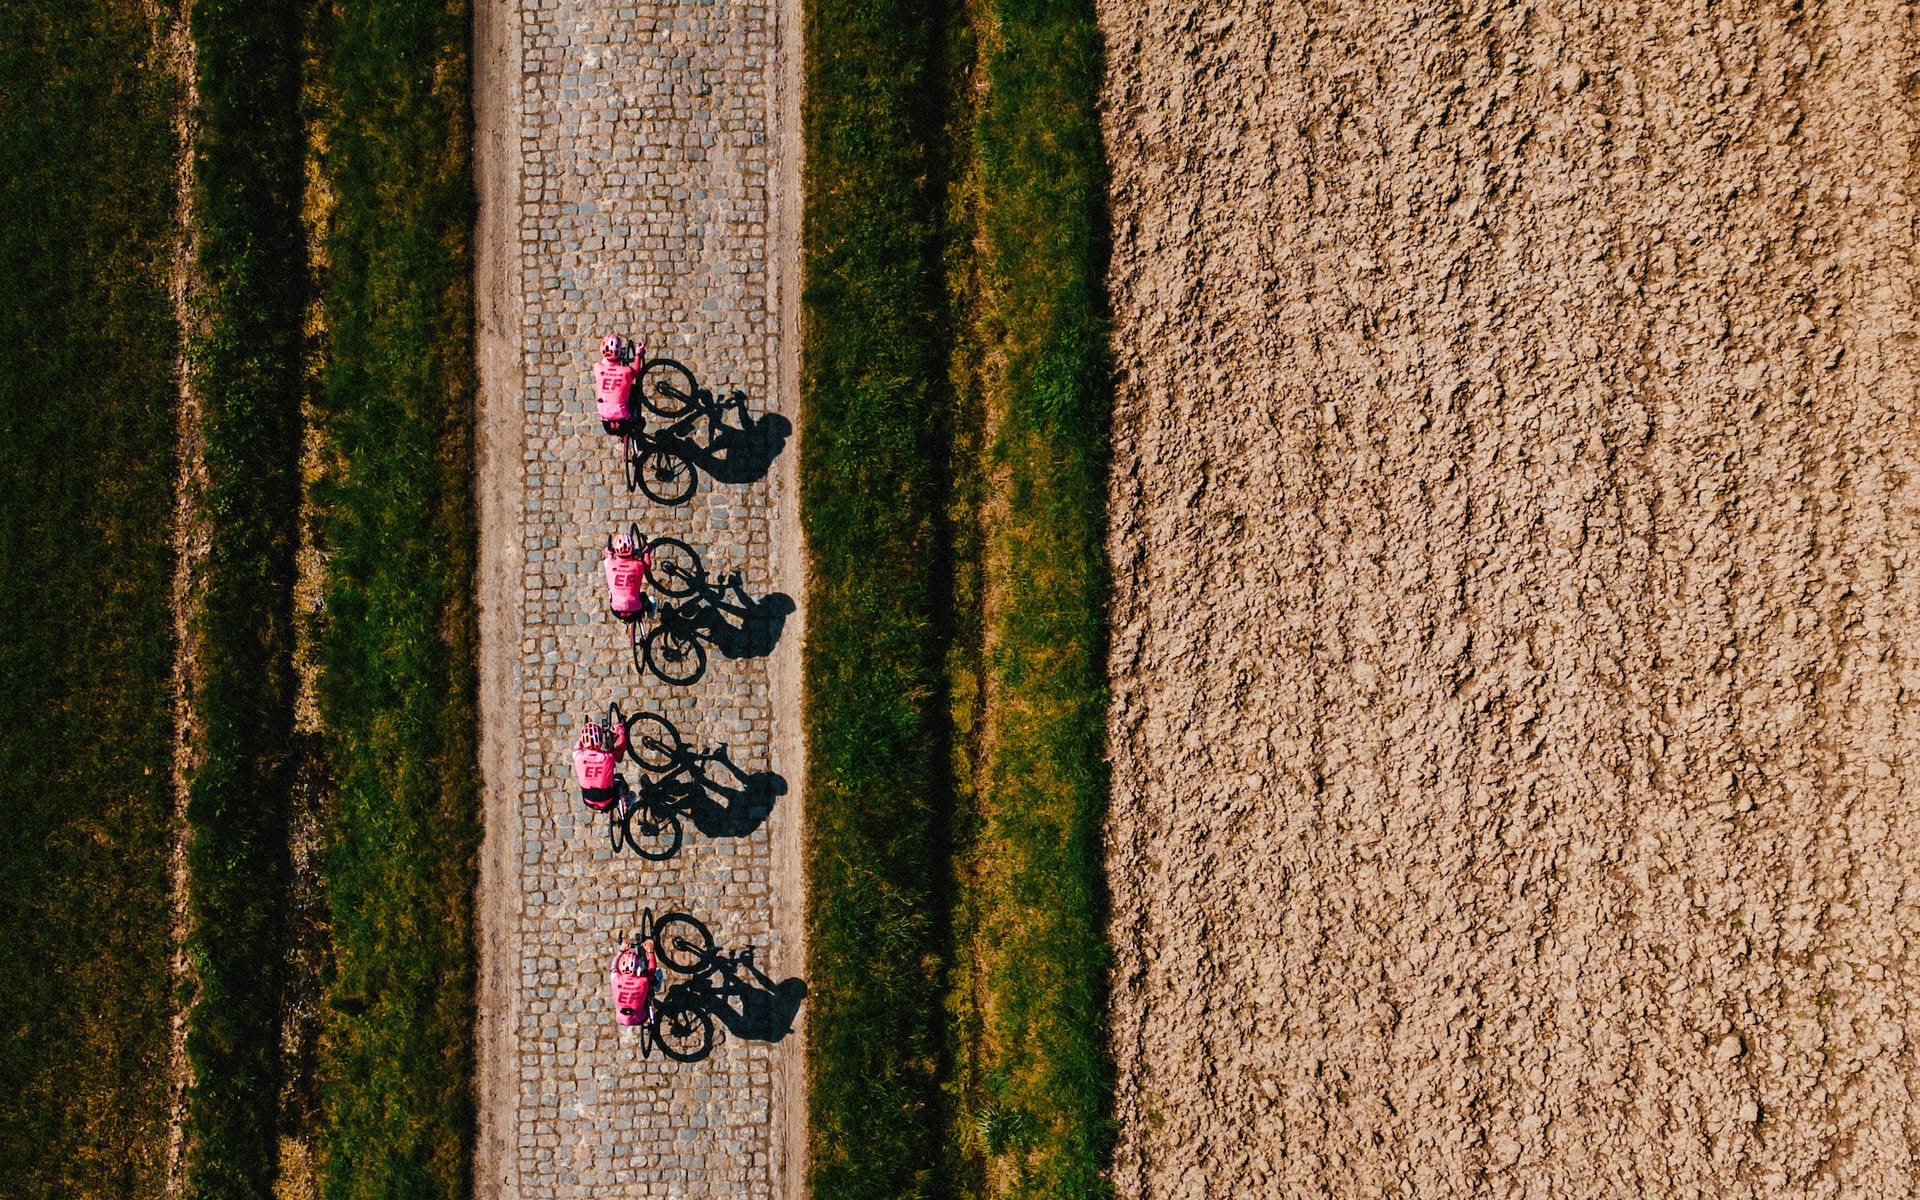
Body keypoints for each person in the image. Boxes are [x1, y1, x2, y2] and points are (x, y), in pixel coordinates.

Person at [572, 712, 629, 811]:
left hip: (588, 801)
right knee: (619, 779)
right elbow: (622, 748)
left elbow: (578, 746)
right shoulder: (608, 757)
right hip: (608, 801)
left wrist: (584, 735)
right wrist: (622, 733)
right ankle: (628, 801)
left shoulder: (577, 756)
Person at [594, 333, 645, 432]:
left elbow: (606, 361)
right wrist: (638, 355)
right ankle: (638, 424)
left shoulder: (598, 368)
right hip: (624, 419)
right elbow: (636, 371)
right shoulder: (626, 371)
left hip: (606, 422)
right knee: (634, 389)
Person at [603, 530, 655, 620]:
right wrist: (647, 551)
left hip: (616, 611)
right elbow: (647, 565)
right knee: (646, 597)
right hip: (635, 610)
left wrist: (609, 551)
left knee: (610, 589)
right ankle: (651, 611)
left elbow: (608, 554)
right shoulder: (638, 565)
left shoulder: (608, 563)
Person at [610, 934, 659, 1027]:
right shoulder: (642, 981)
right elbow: (652, 971)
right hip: (641, 1018)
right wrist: (651, 952)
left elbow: (613, 966)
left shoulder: (615, 978)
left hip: (620, 1019)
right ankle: (656, 987)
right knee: (656, 975)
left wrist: (621, 951)